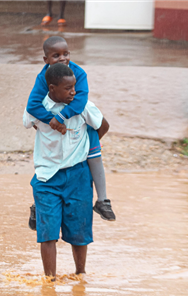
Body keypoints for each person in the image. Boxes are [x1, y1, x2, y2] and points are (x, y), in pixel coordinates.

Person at [26, 36, 115, 232]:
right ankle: (38, 206)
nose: (62, 58)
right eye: (56, 55)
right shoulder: (43, 78)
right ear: (46, 60)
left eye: (65, 54)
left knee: (94, 157)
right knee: (49, 164)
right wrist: (51, 121)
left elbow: (80, 101)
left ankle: (103, 200)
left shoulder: (79, 73)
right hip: (56, 133)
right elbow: (32, 106)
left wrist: (63, 120)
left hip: (79, 125)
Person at [23, 63, 104, 278]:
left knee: (80, 232)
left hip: (78, 176)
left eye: (74, 87)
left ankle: (80, 275)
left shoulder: (83, 106)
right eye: (67, 89)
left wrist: (89, 147)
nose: (74, 92)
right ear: (51, 88)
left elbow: (102, 125)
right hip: (46, 177)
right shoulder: (37, 109)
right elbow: (28, 120)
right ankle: (49, 280)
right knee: (47, 234)